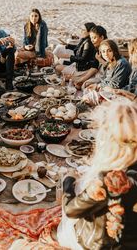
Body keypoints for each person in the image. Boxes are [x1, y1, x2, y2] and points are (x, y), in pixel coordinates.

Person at [58, 100, 137, 249]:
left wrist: (68, 180)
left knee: (66, 219)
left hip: (100, 244)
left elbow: (70, 210)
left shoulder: (113, 180)